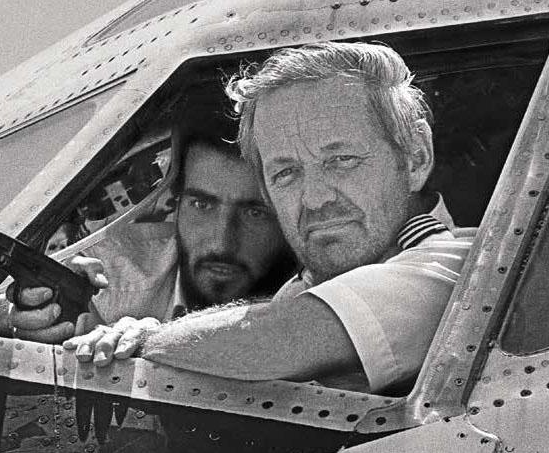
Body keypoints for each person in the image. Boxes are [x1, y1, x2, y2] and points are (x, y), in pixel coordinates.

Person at [64, 42, 473, 394]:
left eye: (342, 160)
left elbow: (280, 340)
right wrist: (80, 326)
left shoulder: (459, 266)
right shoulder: (302, 289)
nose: (314, 199)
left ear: (415, 157)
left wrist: (144, 339)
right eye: (286, 173)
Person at [0, 99, 296, 341]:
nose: (222, 241)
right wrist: (24, 311)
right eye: (201, 205)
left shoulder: (316, 279)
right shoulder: (116, 270)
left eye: (255, 213)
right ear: (176, 202)